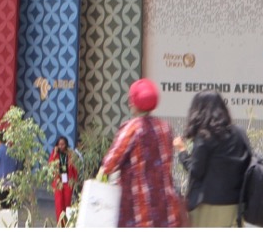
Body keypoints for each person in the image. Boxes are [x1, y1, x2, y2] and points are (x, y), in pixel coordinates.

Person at [98, 79, 183, 227]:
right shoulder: (165, 128)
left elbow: (109, 164)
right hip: (165, 210)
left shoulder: (132, 129)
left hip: (138, 212)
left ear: (134, 102)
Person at [171, 90, 250, 227]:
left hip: (208, 205)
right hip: (236, 204)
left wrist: (182, 151)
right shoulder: (238, 132)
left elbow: (196, 171)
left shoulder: (205, 135)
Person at [49, 135, 78, 225]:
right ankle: (60, 223)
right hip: (58, 182)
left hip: (68, 181)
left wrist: (74, 180)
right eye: (60, 144)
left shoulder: (70, 154)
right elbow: (50, 166)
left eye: (63, 144)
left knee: (67, 203)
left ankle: (67, 223)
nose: (61, 146)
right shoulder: (54, 153)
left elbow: (75, 168)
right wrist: (54, 154)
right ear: (57, 145)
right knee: (59, 203)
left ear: (66, 144)